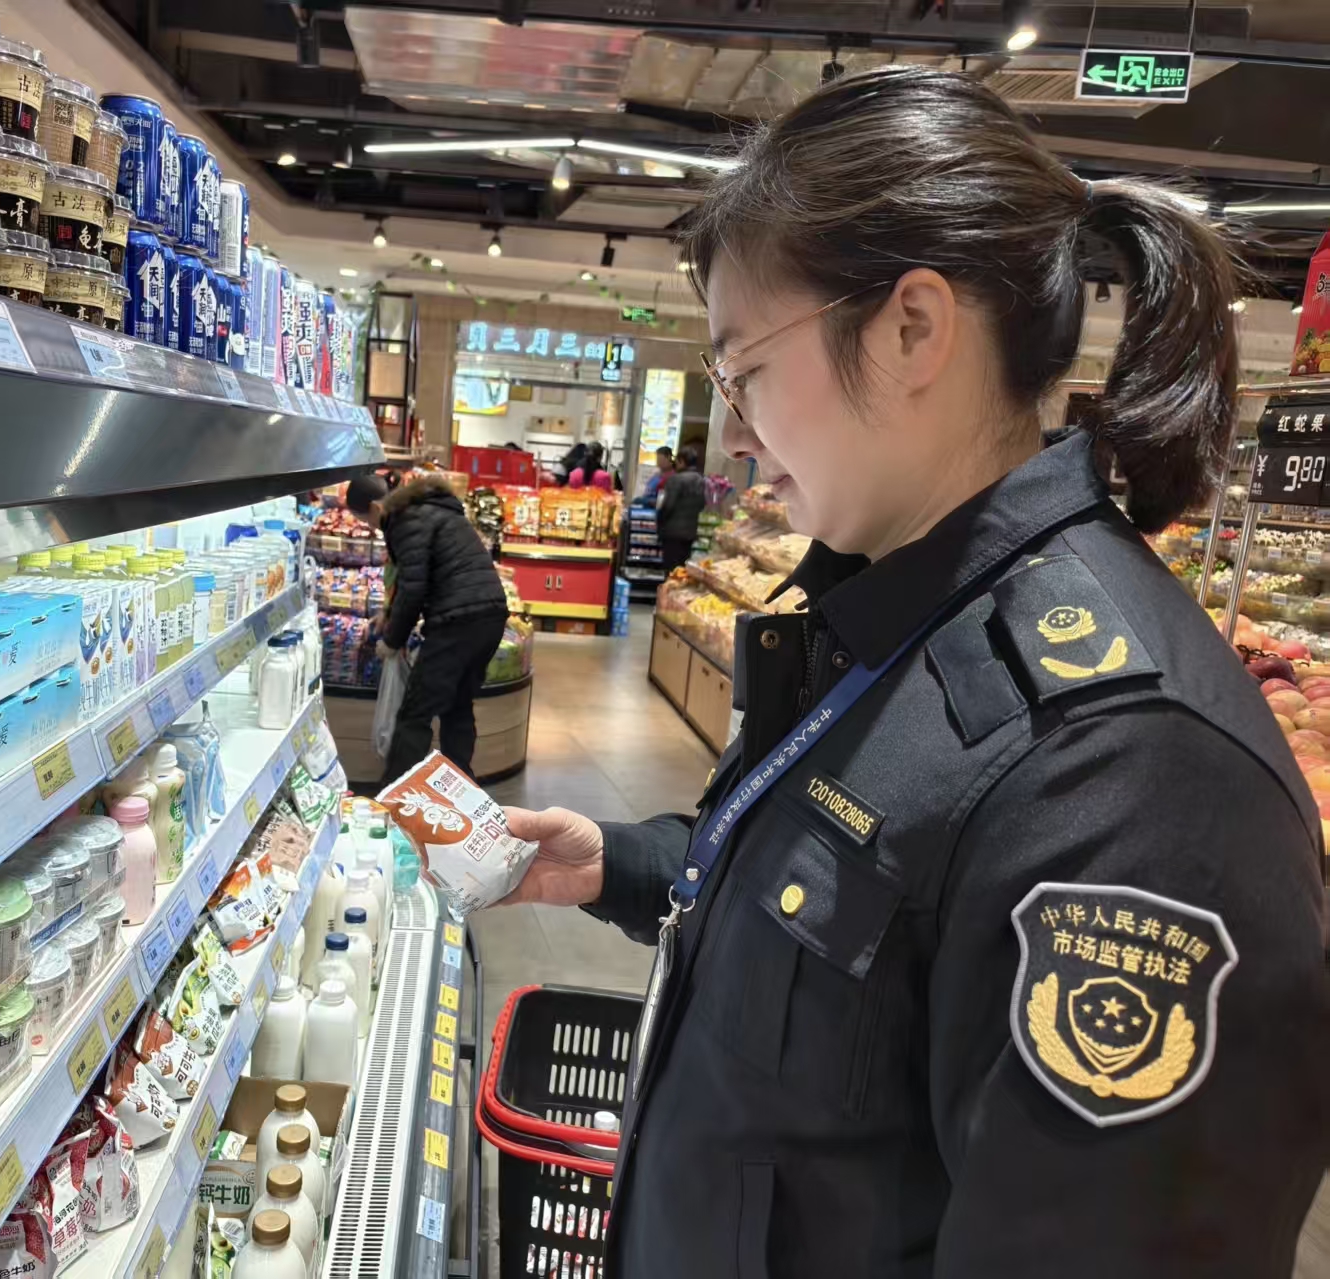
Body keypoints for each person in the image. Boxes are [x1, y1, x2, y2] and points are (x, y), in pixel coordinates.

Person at [497, 67, 1330, 1278]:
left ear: (911, 329)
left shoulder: (1134, 784)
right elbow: (865, 906)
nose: (734, 432)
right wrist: (623, 862)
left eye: (742, 370)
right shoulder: (900, 615)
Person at [346, 472, 509, 783]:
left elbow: (413, 589)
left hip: (458, 623)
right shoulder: (428, 508)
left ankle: (394, 797)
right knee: (457, 707)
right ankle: (459, 790)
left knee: (415, 713)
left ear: (375, 508)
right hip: (490, 617)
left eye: (366, 520)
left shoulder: (404, 520)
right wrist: (389, 614)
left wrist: (392, 641)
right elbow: (417, 576)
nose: (371, 527)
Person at [656, 440, 705, 571]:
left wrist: (659, 523)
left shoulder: (675, 480)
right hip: (690, 533)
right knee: (683, 568)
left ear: (682, 461)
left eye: (677, 461)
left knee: (671, 568)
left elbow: (667, 506)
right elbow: (702, 504)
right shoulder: (701, 480)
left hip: (672, 533)